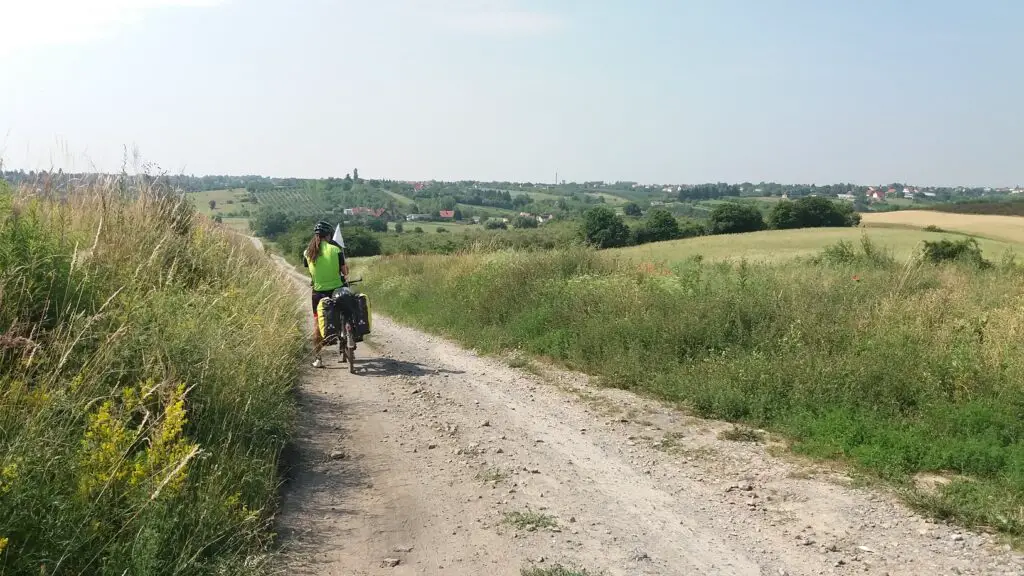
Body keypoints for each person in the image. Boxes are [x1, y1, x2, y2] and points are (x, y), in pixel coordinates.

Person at [303, 220, 348, 368]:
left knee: (317, 323)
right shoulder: (336, 250)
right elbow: (345, 272)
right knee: (345, 312)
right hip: (337, 290)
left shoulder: (308, 253)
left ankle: (318, 359)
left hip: (318, 294)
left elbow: (311, 272)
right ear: (328, 235)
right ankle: (347, 335)